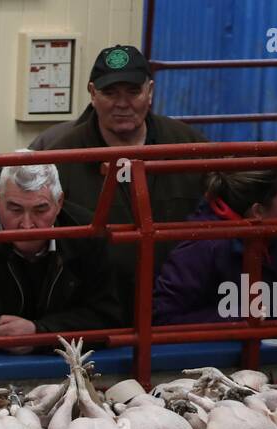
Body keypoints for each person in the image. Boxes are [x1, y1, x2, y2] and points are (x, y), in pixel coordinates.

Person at [47, 45, 208, 311]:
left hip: (180, 307)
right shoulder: (61, 159)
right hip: (96, 312)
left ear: (150, 91)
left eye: (133, 92)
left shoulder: (190, 146)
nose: (122, 104)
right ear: (92, 94)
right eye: (110, 93)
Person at [0, 163, 120, 346]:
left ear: (59, 203)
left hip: (67, 357)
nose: (27, 225)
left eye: (40, 210)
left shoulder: (87, 233)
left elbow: (107, 314)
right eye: (15, 209)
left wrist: (39, 331)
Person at [153, 168, 277, 325]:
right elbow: (162, 317)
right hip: (221, 347)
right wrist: (237, 317)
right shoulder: (202, 247)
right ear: (258, 211)